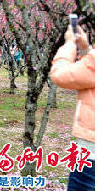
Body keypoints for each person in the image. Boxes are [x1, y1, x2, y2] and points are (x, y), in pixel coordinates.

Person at [50, 25, 95, 191]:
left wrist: (69, 44)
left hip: (91, 154)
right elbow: (88, 72)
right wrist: (86, 49)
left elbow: (60, 74)